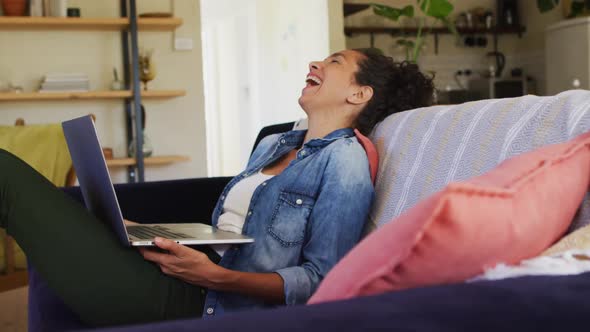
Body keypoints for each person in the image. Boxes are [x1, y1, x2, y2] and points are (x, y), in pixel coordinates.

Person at [0, 48, 434, 327]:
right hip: (181, 274)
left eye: (334, 62)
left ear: (359, 95)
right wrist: (143, 229)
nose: (315, 64)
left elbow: (319, 281)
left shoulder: (345, 163)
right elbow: (230, 233)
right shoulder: (273, 143)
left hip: (203, 302)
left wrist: (215, 276)